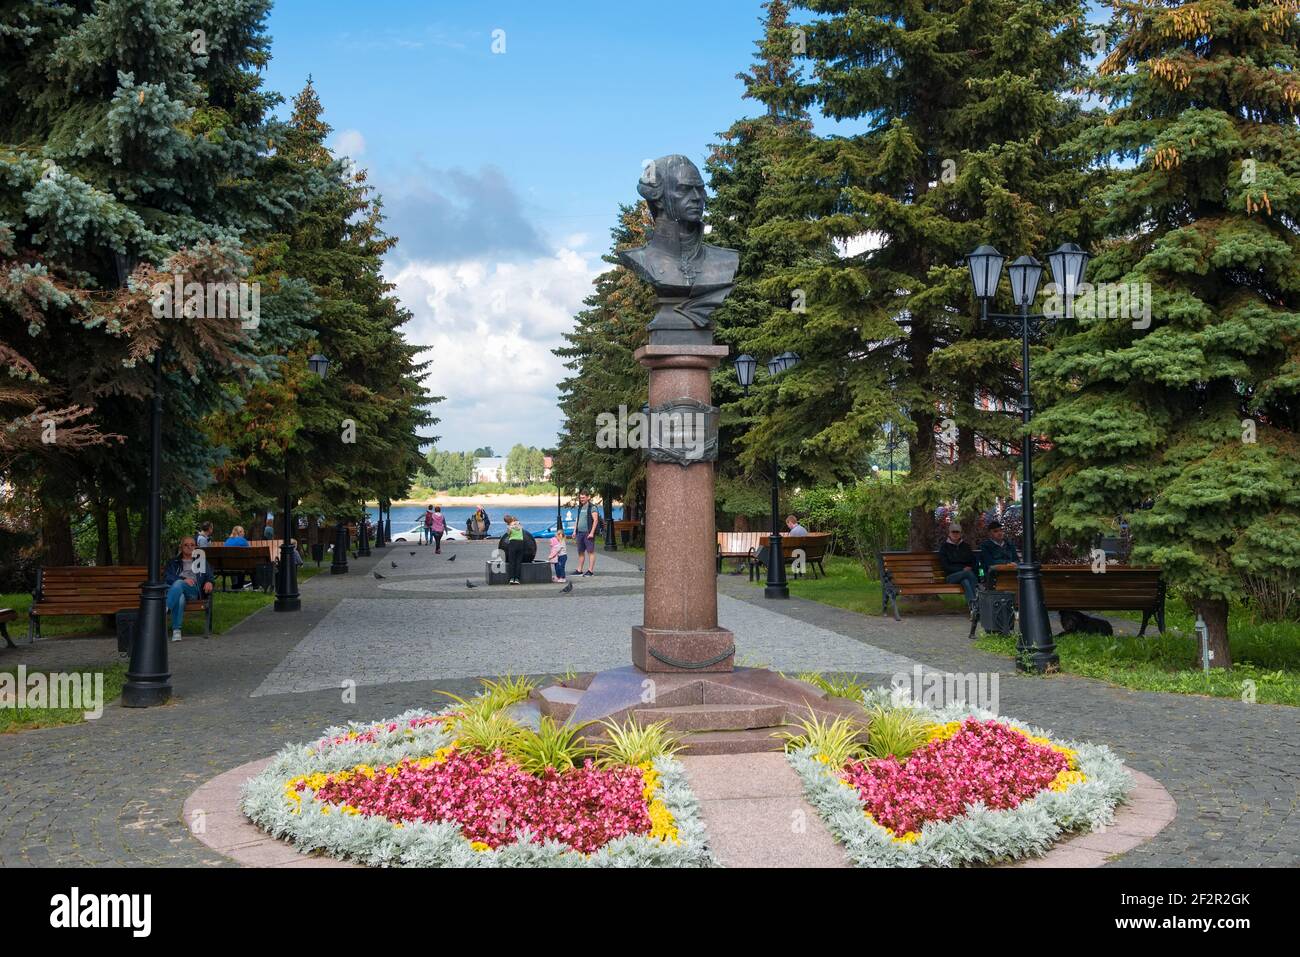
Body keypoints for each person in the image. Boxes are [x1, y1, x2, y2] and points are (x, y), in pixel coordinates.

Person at [164, 536, 213, 642]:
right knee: (180, 596)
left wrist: (209, 582)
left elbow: (210, 576)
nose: (189, 547)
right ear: (181, 547)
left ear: (195, 547)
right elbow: (167, 577)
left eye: (192, 545)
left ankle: (165, 607)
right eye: (186, 545)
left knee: (179, 584)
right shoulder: (173, 562)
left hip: (193, 591)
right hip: (177, 591)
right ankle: (177, 631)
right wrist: (183, 579)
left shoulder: (201, 561)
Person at [938, 522, 980, 608]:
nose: (955, 534)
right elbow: (945, 566)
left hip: (966, 575)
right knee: (968, 574)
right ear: (949, 533)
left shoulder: (966, 547)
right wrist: (962, 569)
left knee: (966, 582)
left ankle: (973, 608)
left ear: (960, 533)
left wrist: (970, 567)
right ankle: (979, 593)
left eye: (957, 532)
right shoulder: (944, 548)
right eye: (953, 532)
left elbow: (973, 561)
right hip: (951, 576)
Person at [573, 491, 602, 577]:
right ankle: (579, 570)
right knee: (580, 552)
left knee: (590, 552)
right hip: (580, 533)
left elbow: (595, 520)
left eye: (583, 497)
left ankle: (590, 571)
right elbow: (577, 519)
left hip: (588, 533)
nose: (581, 499)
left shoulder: (592, 507)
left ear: (588, 497)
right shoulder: (580, 507)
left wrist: (592, 533)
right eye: (580, 498)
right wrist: (575, 531)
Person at [224, 525, 250, 590]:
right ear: (240, 532)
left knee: (234, 563)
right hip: (241, 566)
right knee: (242, 563)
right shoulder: (243, 541)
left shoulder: (227, 541)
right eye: (243, 532)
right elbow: (249, 552)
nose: (244, 533)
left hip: (228, 565)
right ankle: (255, 585)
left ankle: (235, 585)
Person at [503, 514, 526, 584]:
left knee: (512, 561)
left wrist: (509, 528)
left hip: (513, 544)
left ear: (507, 522)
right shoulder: (519, 525)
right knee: (518, 562)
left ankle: (512, 578)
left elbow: (508, 534)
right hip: (521, 543)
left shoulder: (509, 527)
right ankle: (517, 579)